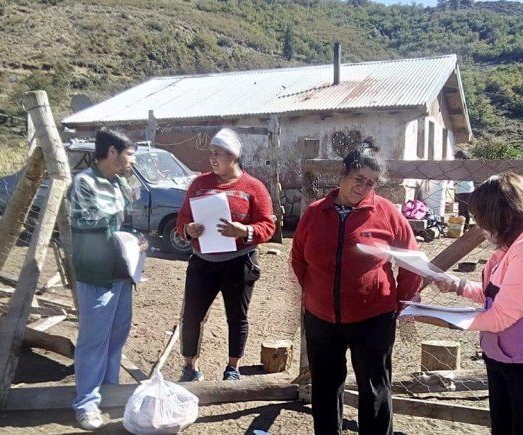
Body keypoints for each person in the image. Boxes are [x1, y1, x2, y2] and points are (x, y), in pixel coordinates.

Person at [291, 148, 423, 435]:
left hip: (373, 317)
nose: (362, 188)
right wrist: (316, 292)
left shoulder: (386, 213)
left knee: (374, 389)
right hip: (321, 319)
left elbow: (411, 260)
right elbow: (299, 258)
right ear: (342, 174)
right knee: (325, 387)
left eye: (371, 182)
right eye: (358, 178)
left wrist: (401, 301)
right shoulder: (315, 213)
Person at [435, 172, 523, 435]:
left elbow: (501, 316)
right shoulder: (511, 247)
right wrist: (456, 285)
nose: (480, 226)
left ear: (503, 216)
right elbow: (496, 294)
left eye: (481, 218)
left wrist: (436, 317)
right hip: (502, 355)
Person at [176, 127, 275, 382]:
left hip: (239, 263)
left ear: (233, 156)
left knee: (236, 317)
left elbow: (268, 225)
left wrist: (245, 230)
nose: (213, 158)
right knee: (192, 315)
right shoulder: (199, 184)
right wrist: (188, 229)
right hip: (203, 263)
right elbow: (182, 219)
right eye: (211, 153)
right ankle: (191, 366)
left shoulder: (254, 187)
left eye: (218, 153)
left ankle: (233, 367)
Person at [69, 127, 143, 430]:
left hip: (120, 271)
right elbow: (98, 218)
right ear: (111, 152)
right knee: (93, 340)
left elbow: (127, 218)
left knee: (116, 336)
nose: (132, 162)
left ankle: (109, 390)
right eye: (129, 155)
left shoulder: (119, 182)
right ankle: (85, 403)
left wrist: (136, 240)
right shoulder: (84, 182)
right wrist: (125, 204)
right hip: (96, 273)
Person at [454, 150, 475, 230]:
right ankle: (463, 226)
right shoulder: (465, 165)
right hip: (464, 189)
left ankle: (464, 227)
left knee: (464, 209)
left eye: (456, 158)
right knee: (463, 209)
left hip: (464, 189)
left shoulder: (464, 165)